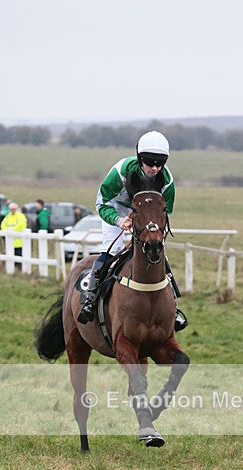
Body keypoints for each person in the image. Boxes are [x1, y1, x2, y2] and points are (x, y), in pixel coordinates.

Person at [77, 130, 187, 330]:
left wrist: (150, 229)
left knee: (159, 253)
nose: (155, 168)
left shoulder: (167, 180)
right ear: (139, 158)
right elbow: (101, 204)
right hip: (116, 209)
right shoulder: (120, 171)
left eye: (160, 163)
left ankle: (174, 307)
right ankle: (89, 300)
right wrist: (118, 220)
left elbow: (165, 211)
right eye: (150, 163)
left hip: (146, 213)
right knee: (111, 251)